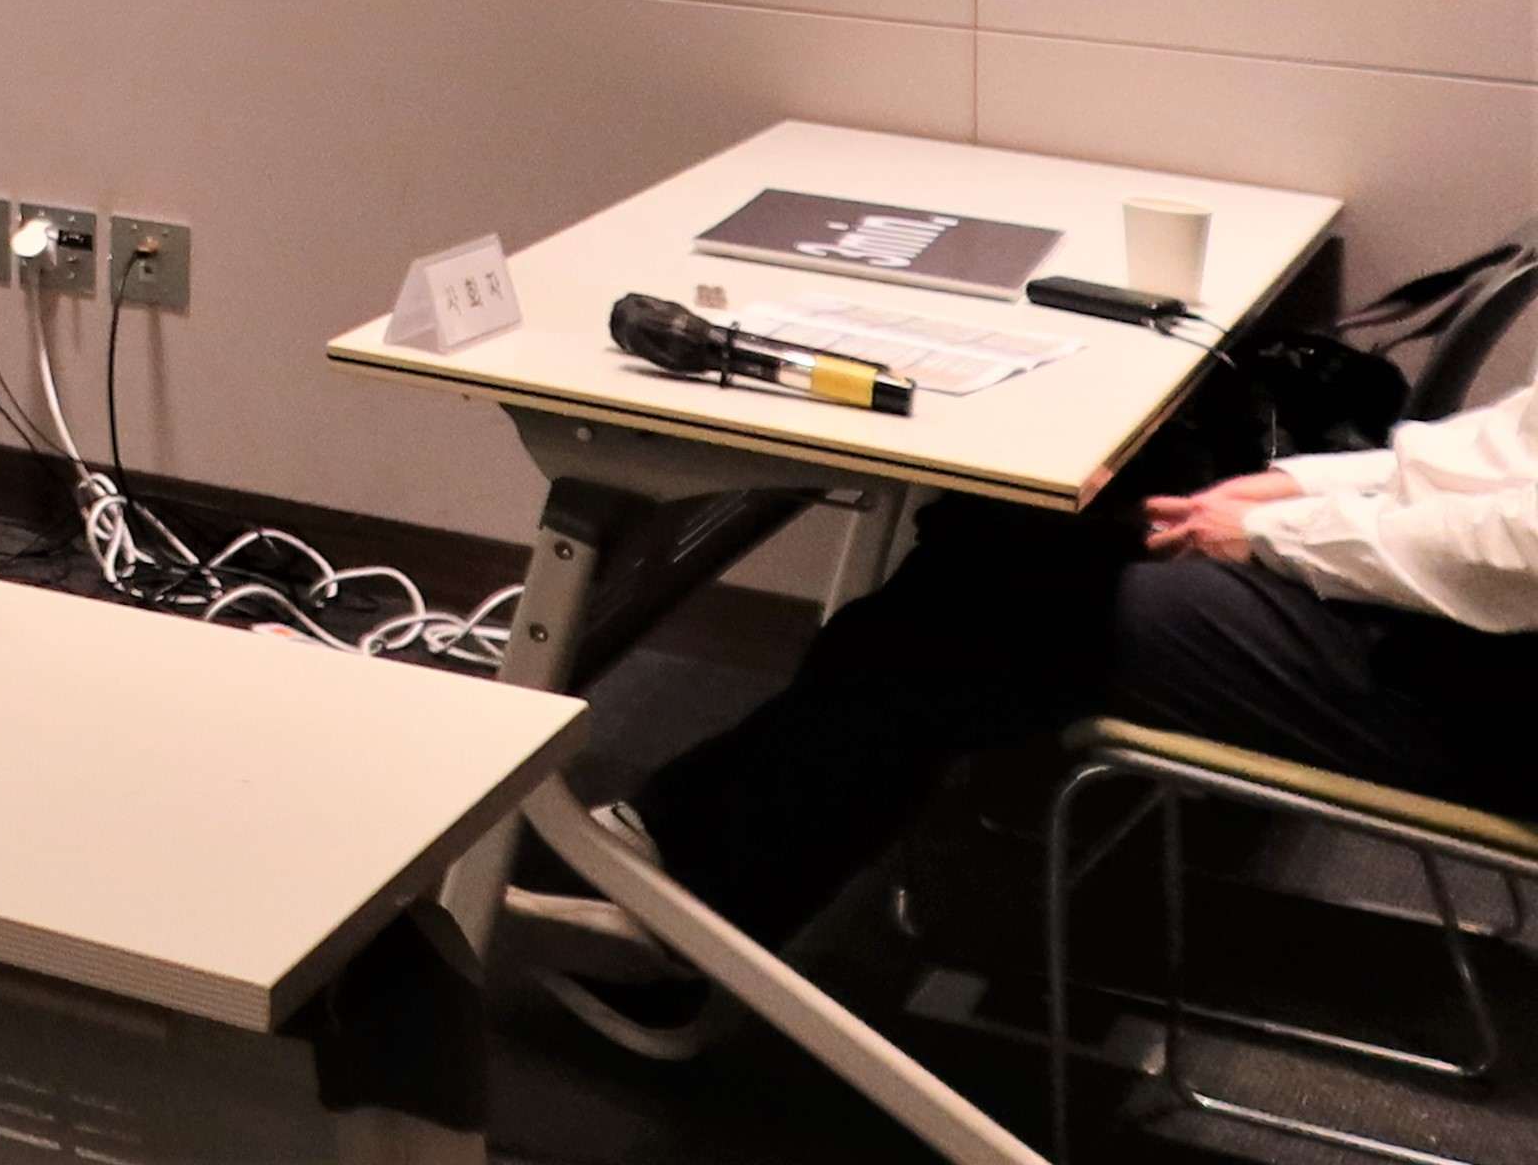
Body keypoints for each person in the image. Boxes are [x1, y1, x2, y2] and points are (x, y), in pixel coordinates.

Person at [537, 392, 1538, 1056]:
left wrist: (1284, 530)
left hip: (1487, 692)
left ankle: (676, 924)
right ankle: (683, 852)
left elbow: (1520, 550)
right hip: (1466, 623)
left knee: (996, 614)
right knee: (1008, 544)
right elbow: (1507, 455)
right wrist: (1309, 484)